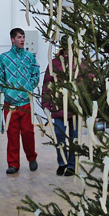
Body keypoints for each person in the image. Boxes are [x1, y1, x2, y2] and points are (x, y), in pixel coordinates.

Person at [0, 27, 40, 175]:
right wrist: (7, 90)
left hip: (26, 102)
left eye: (23, 37)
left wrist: (30, 86)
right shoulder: (4, 58)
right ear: (12, 40)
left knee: (28, 133)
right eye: (19, 37)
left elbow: (36, 73)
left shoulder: (29, 57)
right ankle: (13, 164)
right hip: (10, 104)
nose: (22, 40)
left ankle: (32, 157)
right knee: (12, 135)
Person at [40, 40, 79, 177]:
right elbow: (47, 84)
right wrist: (45, 103)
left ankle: (72, 166)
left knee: (74, 138)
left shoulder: (80, 62)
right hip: (58, 106)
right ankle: (62, 163)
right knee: (59, 135)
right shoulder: (54, 63)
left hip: (76, 108)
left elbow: (87, 81)